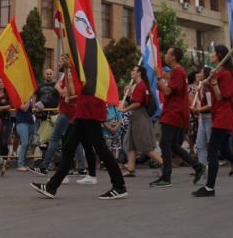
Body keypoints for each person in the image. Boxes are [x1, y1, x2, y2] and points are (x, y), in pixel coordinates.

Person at [31, 62, 127, 200]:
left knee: (101, 149)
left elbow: (71, 93)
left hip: (89, 113)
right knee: (68, 148)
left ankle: (119, 186)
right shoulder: (85, 67)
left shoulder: (85, 67)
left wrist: (68, 71)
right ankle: (52, 187)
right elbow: (74, 95)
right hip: (83, 113)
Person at [189, 46, 233, 198]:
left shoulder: (227, 74)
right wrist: (205, 83)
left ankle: (209, 188)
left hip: (224, 117)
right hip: (219, 116)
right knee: (226, 153)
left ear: (220, 55)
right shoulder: (219, 73)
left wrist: (214, 83)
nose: (211, 55)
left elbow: (223, 97)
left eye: (213, 53)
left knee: (212, 151)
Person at [152, 48, 204, 188]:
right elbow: (170, 90)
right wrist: (162, 82)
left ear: (173, 57)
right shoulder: (177, 73)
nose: (165, 56)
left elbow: (168, 92)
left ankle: (166, 177)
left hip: (174, 114)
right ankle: (198, 166)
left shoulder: (179, 72)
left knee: (165, 143)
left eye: (167, 54)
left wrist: (159, 77)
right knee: (173, 145)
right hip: (177, 113)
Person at [120, 65, 162, 177]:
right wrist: (129, 94)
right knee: (131, 145)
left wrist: (124, 109)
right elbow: (135, 100)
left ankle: (164, 164)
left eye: (134, 70)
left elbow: (137, 103)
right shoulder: (139, 86)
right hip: (136, 117)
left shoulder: (140, 86)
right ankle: (131, 169)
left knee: (145, 147)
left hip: (140, 118)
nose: (132, 72)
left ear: (139, 73)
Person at [192, 66, 215, 166]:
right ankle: (202, 167)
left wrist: (198, 110)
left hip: (209, 117)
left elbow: (210, 105)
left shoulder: (207, 87)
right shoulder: (201, 86)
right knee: (200, 144)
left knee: (211, 144)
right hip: (203, 118)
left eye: (201, 72)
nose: (198, 74)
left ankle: (212, 166)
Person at [12, 88, 36, 170]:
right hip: (21, 123)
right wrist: (29, 97)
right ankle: (20, 164)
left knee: (27, 144)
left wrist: (34, 96)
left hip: (30, 122)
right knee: (24, 143)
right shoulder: (17, 98)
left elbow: (33, 107)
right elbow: (24, 108)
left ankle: (23, 163)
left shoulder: (28, 98)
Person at [0, 82, 13, 159]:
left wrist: (0, 108)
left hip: (6, 119)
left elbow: (10, 105)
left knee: (4, 141)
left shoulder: (7, 94)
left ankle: (4, 159)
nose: (1, 83)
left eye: (2, 82)